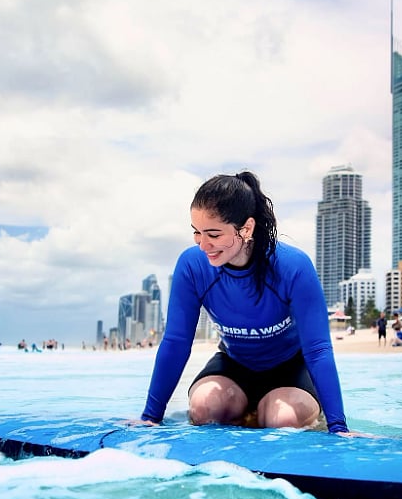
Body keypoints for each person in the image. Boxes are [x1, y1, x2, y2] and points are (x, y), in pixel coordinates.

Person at [140, 171, 349, 434]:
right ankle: (249, 412)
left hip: (290, 370)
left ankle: (267, 412)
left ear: (246, 228)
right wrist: (151, 417)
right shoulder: (192, 266)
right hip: (233, 366)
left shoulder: (293, 267)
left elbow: (318, 349)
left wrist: (338, 427)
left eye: (213, 234)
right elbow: (176, 342)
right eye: (197, 233)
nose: (203, 245)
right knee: (205, 408)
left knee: (282, 419)